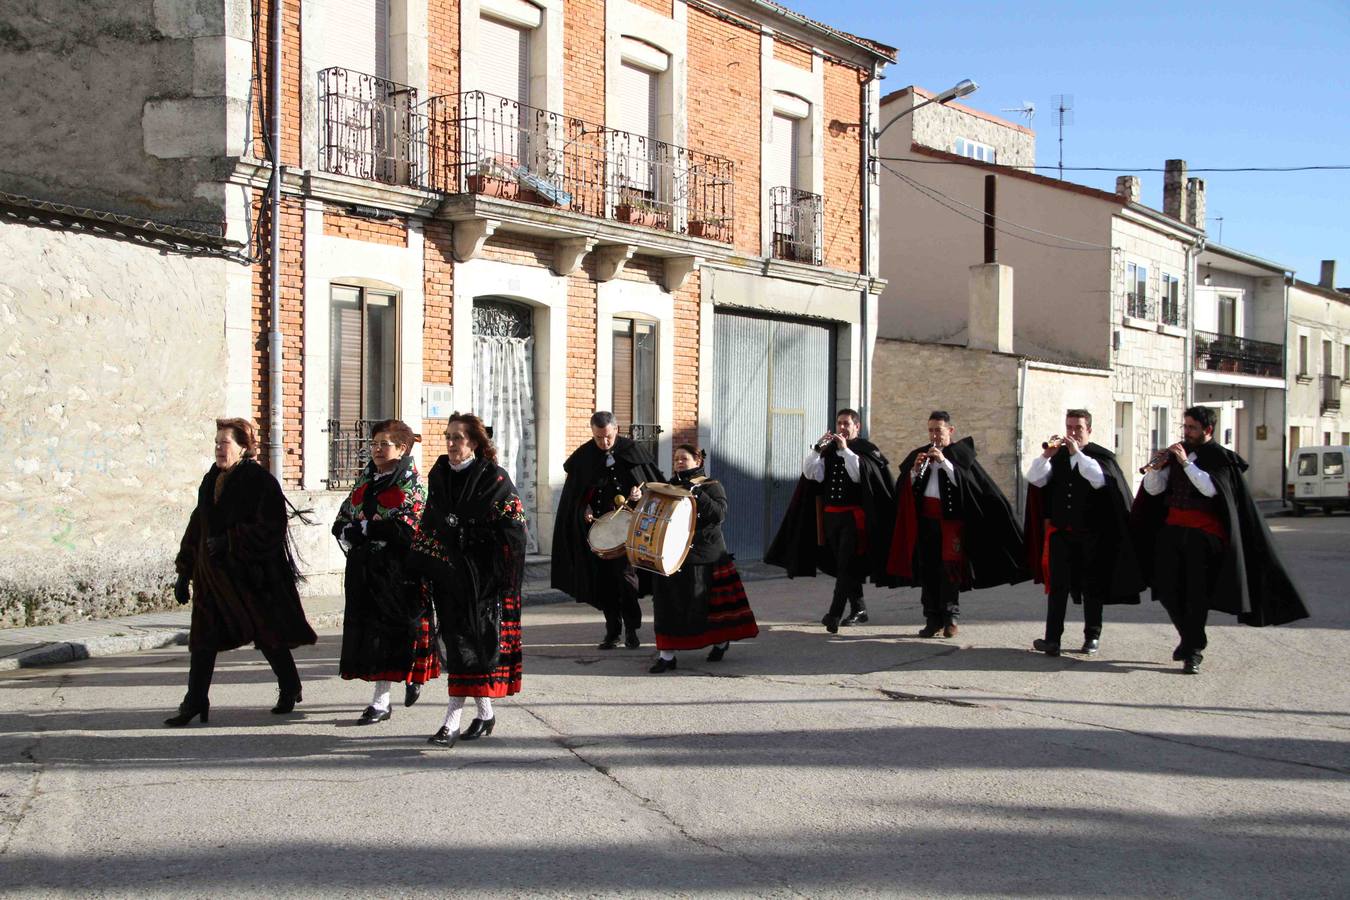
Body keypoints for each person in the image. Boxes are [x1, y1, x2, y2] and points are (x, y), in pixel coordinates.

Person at [1131, 405, 1309, 674]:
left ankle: (1193, 651)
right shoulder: (1175, 454)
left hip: (1203, 536)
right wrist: (1156, 469)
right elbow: (1154, 490)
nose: (1186, 432)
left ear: (1208, 429)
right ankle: (1191, 638)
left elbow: (1210, 489)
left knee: (1196, 594)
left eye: (1192, 427)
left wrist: (1186, 464)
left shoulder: (1219, 458)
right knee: (1166, 590)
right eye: (1185, 426)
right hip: (1172, 532)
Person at [166, 418, 317, 726]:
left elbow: (272, 526)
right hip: (213, 578)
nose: (219, 449)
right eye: (216, 443)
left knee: (268, 636)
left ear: (244, 447)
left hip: (252, 577)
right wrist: (184, 571)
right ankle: (195, 701)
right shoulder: (211, 479)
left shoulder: (260, 481)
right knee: (203, 640)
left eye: (225, 443)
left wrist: (231, 540)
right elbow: (198, 524)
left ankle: (290, 685)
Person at [408, 413, 527, 747]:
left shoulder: (494, 478)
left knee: (472, 645)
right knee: (458, 643)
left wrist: (473, 535)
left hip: (482, 579)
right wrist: (421, 564)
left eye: (457, 437)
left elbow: (515, 527)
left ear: (473, 442)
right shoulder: (439, 474)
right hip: (449, 574)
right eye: (447, 436)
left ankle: (451, 723)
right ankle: (485, 714)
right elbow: (430, 522)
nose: (450, 443)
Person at [332, 419, 440, 725]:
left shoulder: (412, 484)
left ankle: (386, 697)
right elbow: (345, 513)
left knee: (396, 632)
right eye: (374, 444)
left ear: (402, 448)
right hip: (364, 571)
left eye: (384, 444)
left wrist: (368, 528)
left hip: (399, 572)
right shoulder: (366, 479)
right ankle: (385, 696)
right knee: (371, 635)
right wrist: (346, 529)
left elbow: (409, 528)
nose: (377, 449)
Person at [888, 411, 1027, 637]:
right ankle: (932, 618)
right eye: (931, 430)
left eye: (938, 430)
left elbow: (968, 484)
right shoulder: (920, 454)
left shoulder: (959, 455)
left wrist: (944, 463)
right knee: (928, 569)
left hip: (951, 523)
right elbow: (906, 489)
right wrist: (914, 472)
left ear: (950, 431)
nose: (934, 435)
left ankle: (950, 617)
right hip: (926, 522)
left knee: (949, 570)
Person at [1023, 409, 1144, 656]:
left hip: (1091, 534)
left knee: (1092, 586)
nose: (1073, 432)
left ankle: (1092, 636)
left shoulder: (1099, 457)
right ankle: (1052, 639)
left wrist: (1077, 453)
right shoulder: (1057, 457)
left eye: (1078, 428)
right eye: (1069, 427)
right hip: (1061, 533)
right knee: (1057, 587)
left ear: (1089, 430)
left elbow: (1098, 479)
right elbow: (1035, 479)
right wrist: (1046, 455)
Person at [765, 408, 899, 632]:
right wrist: (817, 450)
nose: (842, 427)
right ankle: (859, 609)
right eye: (839, 423)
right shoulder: (828, 451)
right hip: (830, 518)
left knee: (846, 564)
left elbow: (859, 475)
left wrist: (845, 450)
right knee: (843, 565)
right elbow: (811, 474)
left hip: (853, 520)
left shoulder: (865, 450)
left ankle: (834, 614)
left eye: (847, 423)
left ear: (857, 427)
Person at [551, 411, 662, 649]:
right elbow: (575, 495)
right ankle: (612, 632)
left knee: (626, 580)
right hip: (599, 531)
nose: (604, 442)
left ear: (617, 429)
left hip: (627, 531)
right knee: (603, 582)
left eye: (608, 436)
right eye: (598, 437)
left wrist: (639, 494)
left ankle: (631, 629)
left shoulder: (632, 450)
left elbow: (651, 485)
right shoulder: (584, 456)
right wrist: (584, 508)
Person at [648, 445, 759, 672]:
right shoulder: (668, 487)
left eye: (684, 458)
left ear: (697, 461)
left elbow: (719, 514)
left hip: (704, 555)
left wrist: (697, 492)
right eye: (676, 459)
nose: (679, 462)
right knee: (667, 606)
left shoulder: (712, 485)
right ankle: (667, 656)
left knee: (707, 608)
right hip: (671, 554)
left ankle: (720, 642)